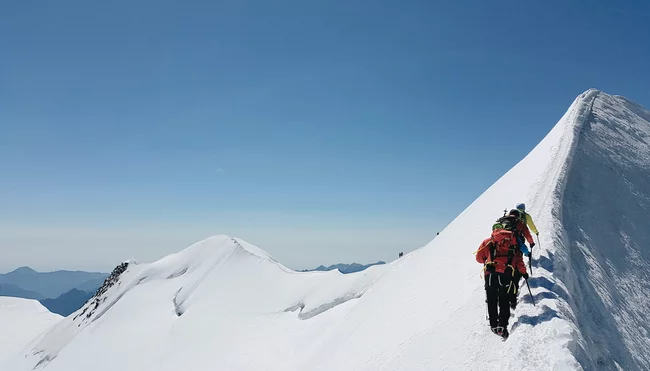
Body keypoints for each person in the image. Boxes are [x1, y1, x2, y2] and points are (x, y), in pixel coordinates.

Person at [475, 222, 528, 339]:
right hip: (506, 274)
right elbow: (518, 260)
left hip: (490, 275)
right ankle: (503, 325)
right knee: (504, 299)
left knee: (491, 300)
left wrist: (488, 258)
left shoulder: (488, 242)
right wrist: (524, 273)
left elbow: (479, 258)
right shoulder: (512, 242)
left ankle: (494, 326)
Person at [497, 209, 535, 310]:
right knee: (514, 278)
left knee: (502, 279)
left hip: (500, 257)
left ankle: (500, 301)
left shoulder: (501, 223)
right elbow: (527, 235)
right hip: (515, 254)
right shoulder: (520, 224)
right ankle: (512, 301)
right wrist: (530, 245)